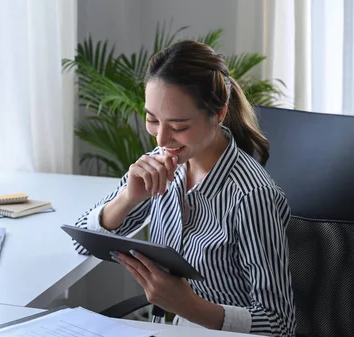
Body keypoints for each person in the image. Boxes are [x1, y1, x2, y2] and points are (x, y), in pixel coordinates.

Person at [72, 40, 296, 337]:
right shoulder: (159, 164)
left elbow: (280, 325)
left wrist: (188, 305)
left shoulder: (251, 196)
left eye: (178, 126)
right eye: (152, 119)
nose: (162, 139)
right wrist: (128, 198)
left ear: (218, 114)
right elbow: (82, 242)